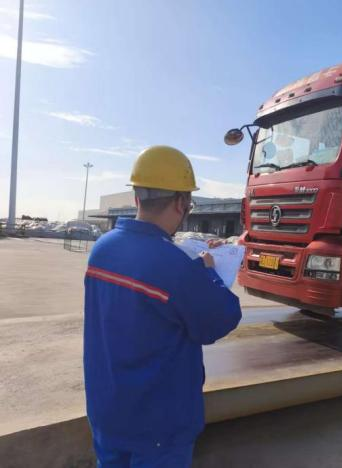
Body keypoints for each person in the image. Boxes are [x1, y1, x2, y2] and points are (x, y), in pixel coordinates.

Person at [83, 145, 241, 467]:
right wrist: (208, 272)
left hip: (107, 410)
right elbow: (221, 319)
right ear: (181, 203)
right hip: (157, 425)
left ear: (137, 198)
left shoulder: (102, 249)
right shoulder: (175, 267)